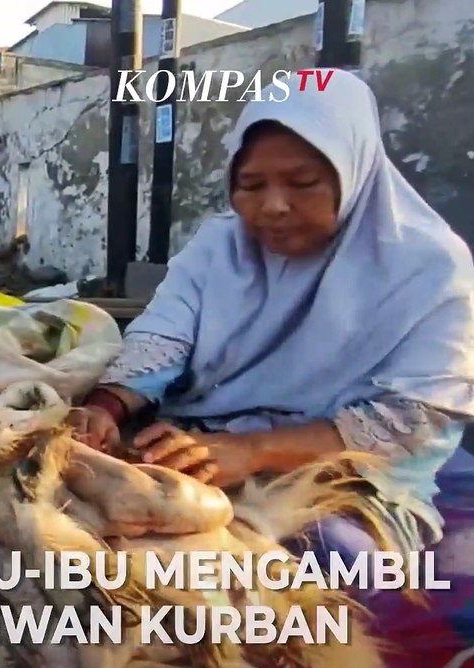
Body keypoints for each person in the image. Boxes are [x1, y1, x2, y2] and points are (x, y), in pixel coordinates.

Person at [66, 70, 474, 561]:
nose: (273, 206)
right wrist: (104, 408)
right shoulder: (220, 246)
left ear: (355, 171)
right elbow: (162, 340)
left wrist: (255, 451)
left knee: (316, 555)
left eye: (303, 183)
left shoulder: (430, 269)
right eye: (251, 185)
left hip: (340, 473)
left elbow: (413, 422)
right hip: (201, 447)